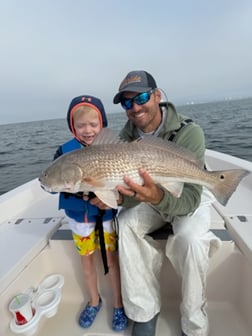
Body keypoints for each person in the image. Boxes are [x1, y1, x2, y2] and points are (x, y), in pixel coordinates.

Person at [112, 71, 222, 336]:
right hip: (150, 199)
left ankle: (194, 324)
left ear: (157, 95)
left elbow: (190, 199)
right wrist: (115, 197)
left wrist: (158, 197)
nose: (135, 107)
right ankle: (144, 313)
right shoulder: (125, 138)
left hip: (186, 194)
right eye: (127, 102)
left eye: (140, 97)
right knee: (125, 225)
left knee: (192, 240)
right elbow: (128, 194)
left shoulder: (189, 132)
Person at [53, 95, 128, 332]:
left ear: (102, 124)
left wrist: (114, 197)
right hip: (79, 221)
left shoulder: (111, 148)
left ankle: (118, 304)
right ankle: (94, 301)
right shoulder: (63, 152)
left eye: (93, 124)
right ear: (72, 126)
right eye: (81, 125)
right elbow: (53, 180)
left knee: (112, 262)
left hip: (105, 219)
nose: (88, 130)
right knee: (87, 264)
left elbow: (120, 182)